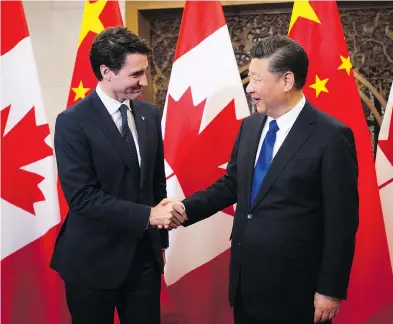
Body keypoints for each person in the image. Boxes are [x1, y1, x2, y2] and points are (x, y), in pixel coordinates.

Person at [167, 35, 359, 324]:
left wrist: (330, 289)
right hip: (246, 283)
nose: (249, 87)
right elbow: (233, 184)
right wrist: (184, 209)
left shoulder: (331, 136)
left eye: (256, 79)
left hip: (297, 290)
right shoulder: (250, 126)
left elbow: (342, 222)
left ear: (286, 80)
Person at [51, 27, 185, 324]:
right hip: (92, 261)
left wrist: (159, 242)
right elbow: (82, 198)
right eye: (135, 74)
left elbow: (155, 184)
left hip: (143, 260)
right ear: (106, 71)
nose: (145, 82)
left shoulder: (149, 115)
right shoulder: (73, 122)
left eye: (145, 72)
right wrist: (148, 216)